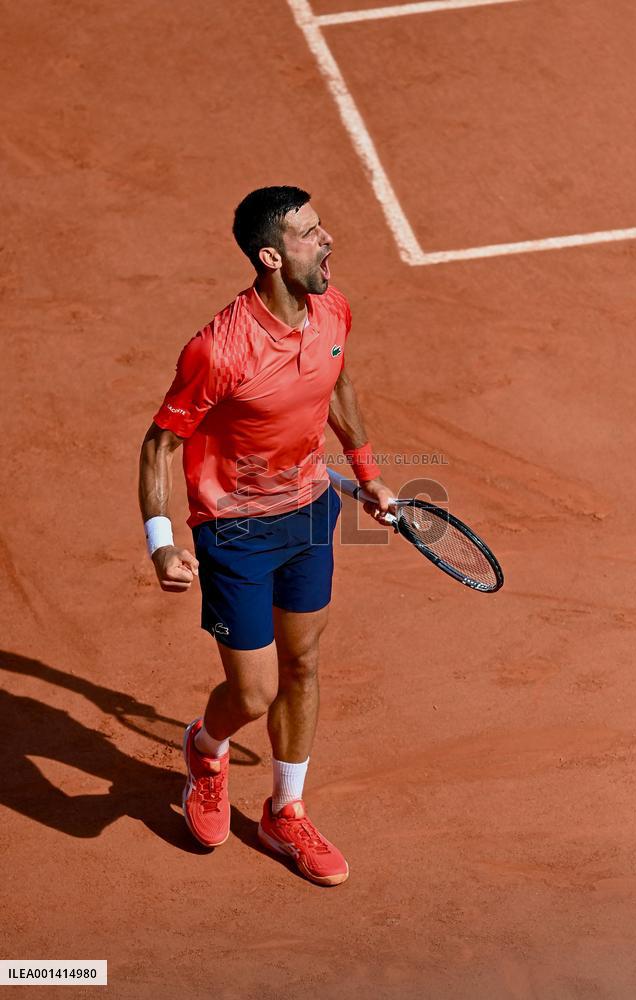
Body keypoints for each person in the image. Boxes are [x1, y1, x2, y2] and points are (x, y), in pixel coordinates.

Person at [138, 186, 393, 887]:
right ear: (271, 256)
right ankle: (206, 748)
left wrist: (367, 473)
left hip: (311, 514)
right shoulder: (219, 349)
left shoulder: (331, 307)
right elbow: (160, 446)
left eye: (322, 226)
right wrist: (162, 540)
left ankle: (286, 811)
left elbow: (337, 383)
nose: (328, 238)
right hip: (236, 531)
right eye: (311, 233)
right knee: (251, 694)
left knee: (304, 666)